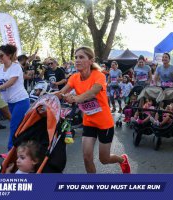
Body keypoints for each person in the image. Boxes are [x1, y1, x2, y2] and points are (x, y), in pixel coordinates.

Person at [54, 46, 130, 174]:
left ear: (90, 60)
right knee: (87, 158)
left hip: (104, 123)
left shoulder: (98, 76)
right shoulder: (74, 77)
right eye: (76, 57)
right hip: (89, 122)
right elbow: (62, 92)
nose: (77, 60)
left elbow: (93, 93)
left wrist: (76, 98)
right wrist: (50, 97)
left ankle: (122, 160)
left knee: (104, 159)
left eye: (81, 57)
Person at [0, 44, 30, 150]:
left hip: (21, 100)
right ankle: (25, 146)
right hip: (10, 102)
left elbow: (11, 82)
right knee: (19, 125)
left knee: (14, 125)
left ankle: (10, 150)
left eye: (1, 55)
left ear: (9, 55)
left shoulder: (16, 67)